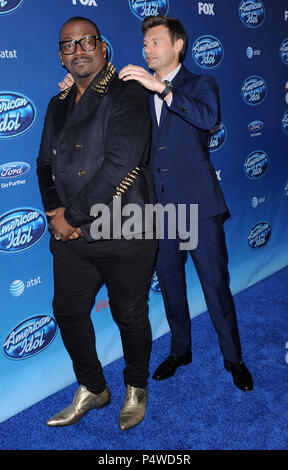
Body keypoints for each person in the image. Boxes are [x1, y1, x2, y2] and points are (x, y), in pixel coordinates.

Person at [118, 15, 253, 391]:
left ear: (178, 45)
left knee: (215, 285)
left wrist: (161, 89)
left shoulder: (200, 83)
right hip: (158, 210)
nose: (148, 49)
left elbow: (208, 119)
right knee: (172, 286)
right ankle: (181, 350)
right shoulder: (139, 92)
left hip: (198, 207)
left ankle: (234, 358)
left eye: (156, 42)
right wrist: (72, 84)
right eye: (145, 44)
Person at [36, 16, 157, 431]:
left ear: (103, 48)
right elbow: (44, 164)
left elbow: (123, 163)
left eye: (87, 42)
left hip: (125, 230)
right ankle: (93, 386)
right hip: (71, 238)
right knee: (67, 312)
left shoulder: (127, 92)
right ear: (61, 57)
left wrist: (71, 216)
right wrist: (55, 212)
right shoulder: (56, 105)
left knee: (130, 313)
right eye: (68, 45)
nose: (79, 50)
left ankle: (135, 386)